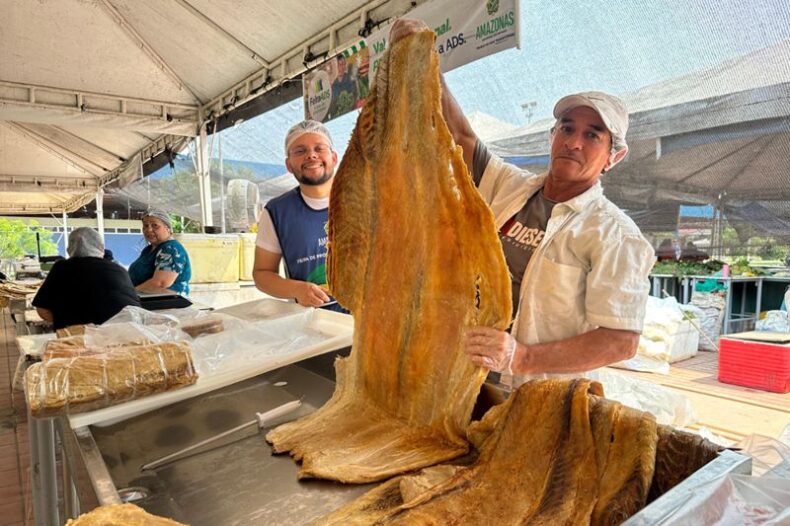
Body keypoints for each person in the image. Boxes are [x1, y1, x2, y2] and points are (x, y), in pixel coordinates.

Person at [390, 20, 655, 386]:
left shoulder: (614, 234)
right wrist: (422, 57)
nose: (574, 142)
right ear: (552, 136)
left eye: (593, 135)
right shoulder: (511, 187)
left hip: (537, 394)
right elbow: (460, 135)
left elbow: (621, 340)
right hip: (469, 374)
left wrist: (522, 357)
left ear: (615, 156)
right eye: (566, 128)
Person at [252, 120, 345, 312]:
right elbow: (262, 274)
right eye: (300, 151)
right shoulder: (277, 212)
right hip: (315, 325)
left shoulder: (367, 199)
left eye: (319, 148)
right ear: (288, 164)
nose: (311, 155)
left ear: (334, 157)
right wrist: (297, 289)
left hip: (371, 321)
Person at [32, 227, 141, 330]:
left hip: (79, 339)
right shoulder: (119, 269)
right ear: (102, 249)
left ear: (69, 250)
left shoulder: (61, 268)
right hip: (129, 331)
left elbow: (42, 310)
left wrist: (64, 321)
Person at [128, 210, 191, 295]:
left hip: (166, 303)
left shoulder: (171, 248)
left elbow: (161, 283)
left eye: (155, 226)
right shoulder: (148, 250)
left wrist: (129, 293)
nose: (149, 230)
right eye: (145, 226)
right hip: (145, 299)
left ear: (167, 228)